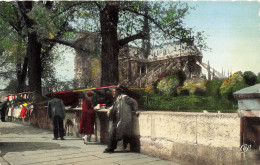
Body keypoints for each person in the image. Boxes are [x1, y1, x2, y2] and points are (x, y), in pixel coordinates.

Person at [104, 88, 138, 153]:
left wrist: (136, 110)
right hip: (117, 119)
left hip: (123, 119)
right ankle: (111, 148)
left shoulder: (124, 97)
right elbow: (114, 107)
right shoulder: (117, 99)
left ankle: (110, 148)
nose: (113, 93)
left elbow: (134, 102)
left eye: (114, 91)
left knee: (115, 132)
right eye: (112, 91)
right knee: (114, 132)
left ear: (118, 92)